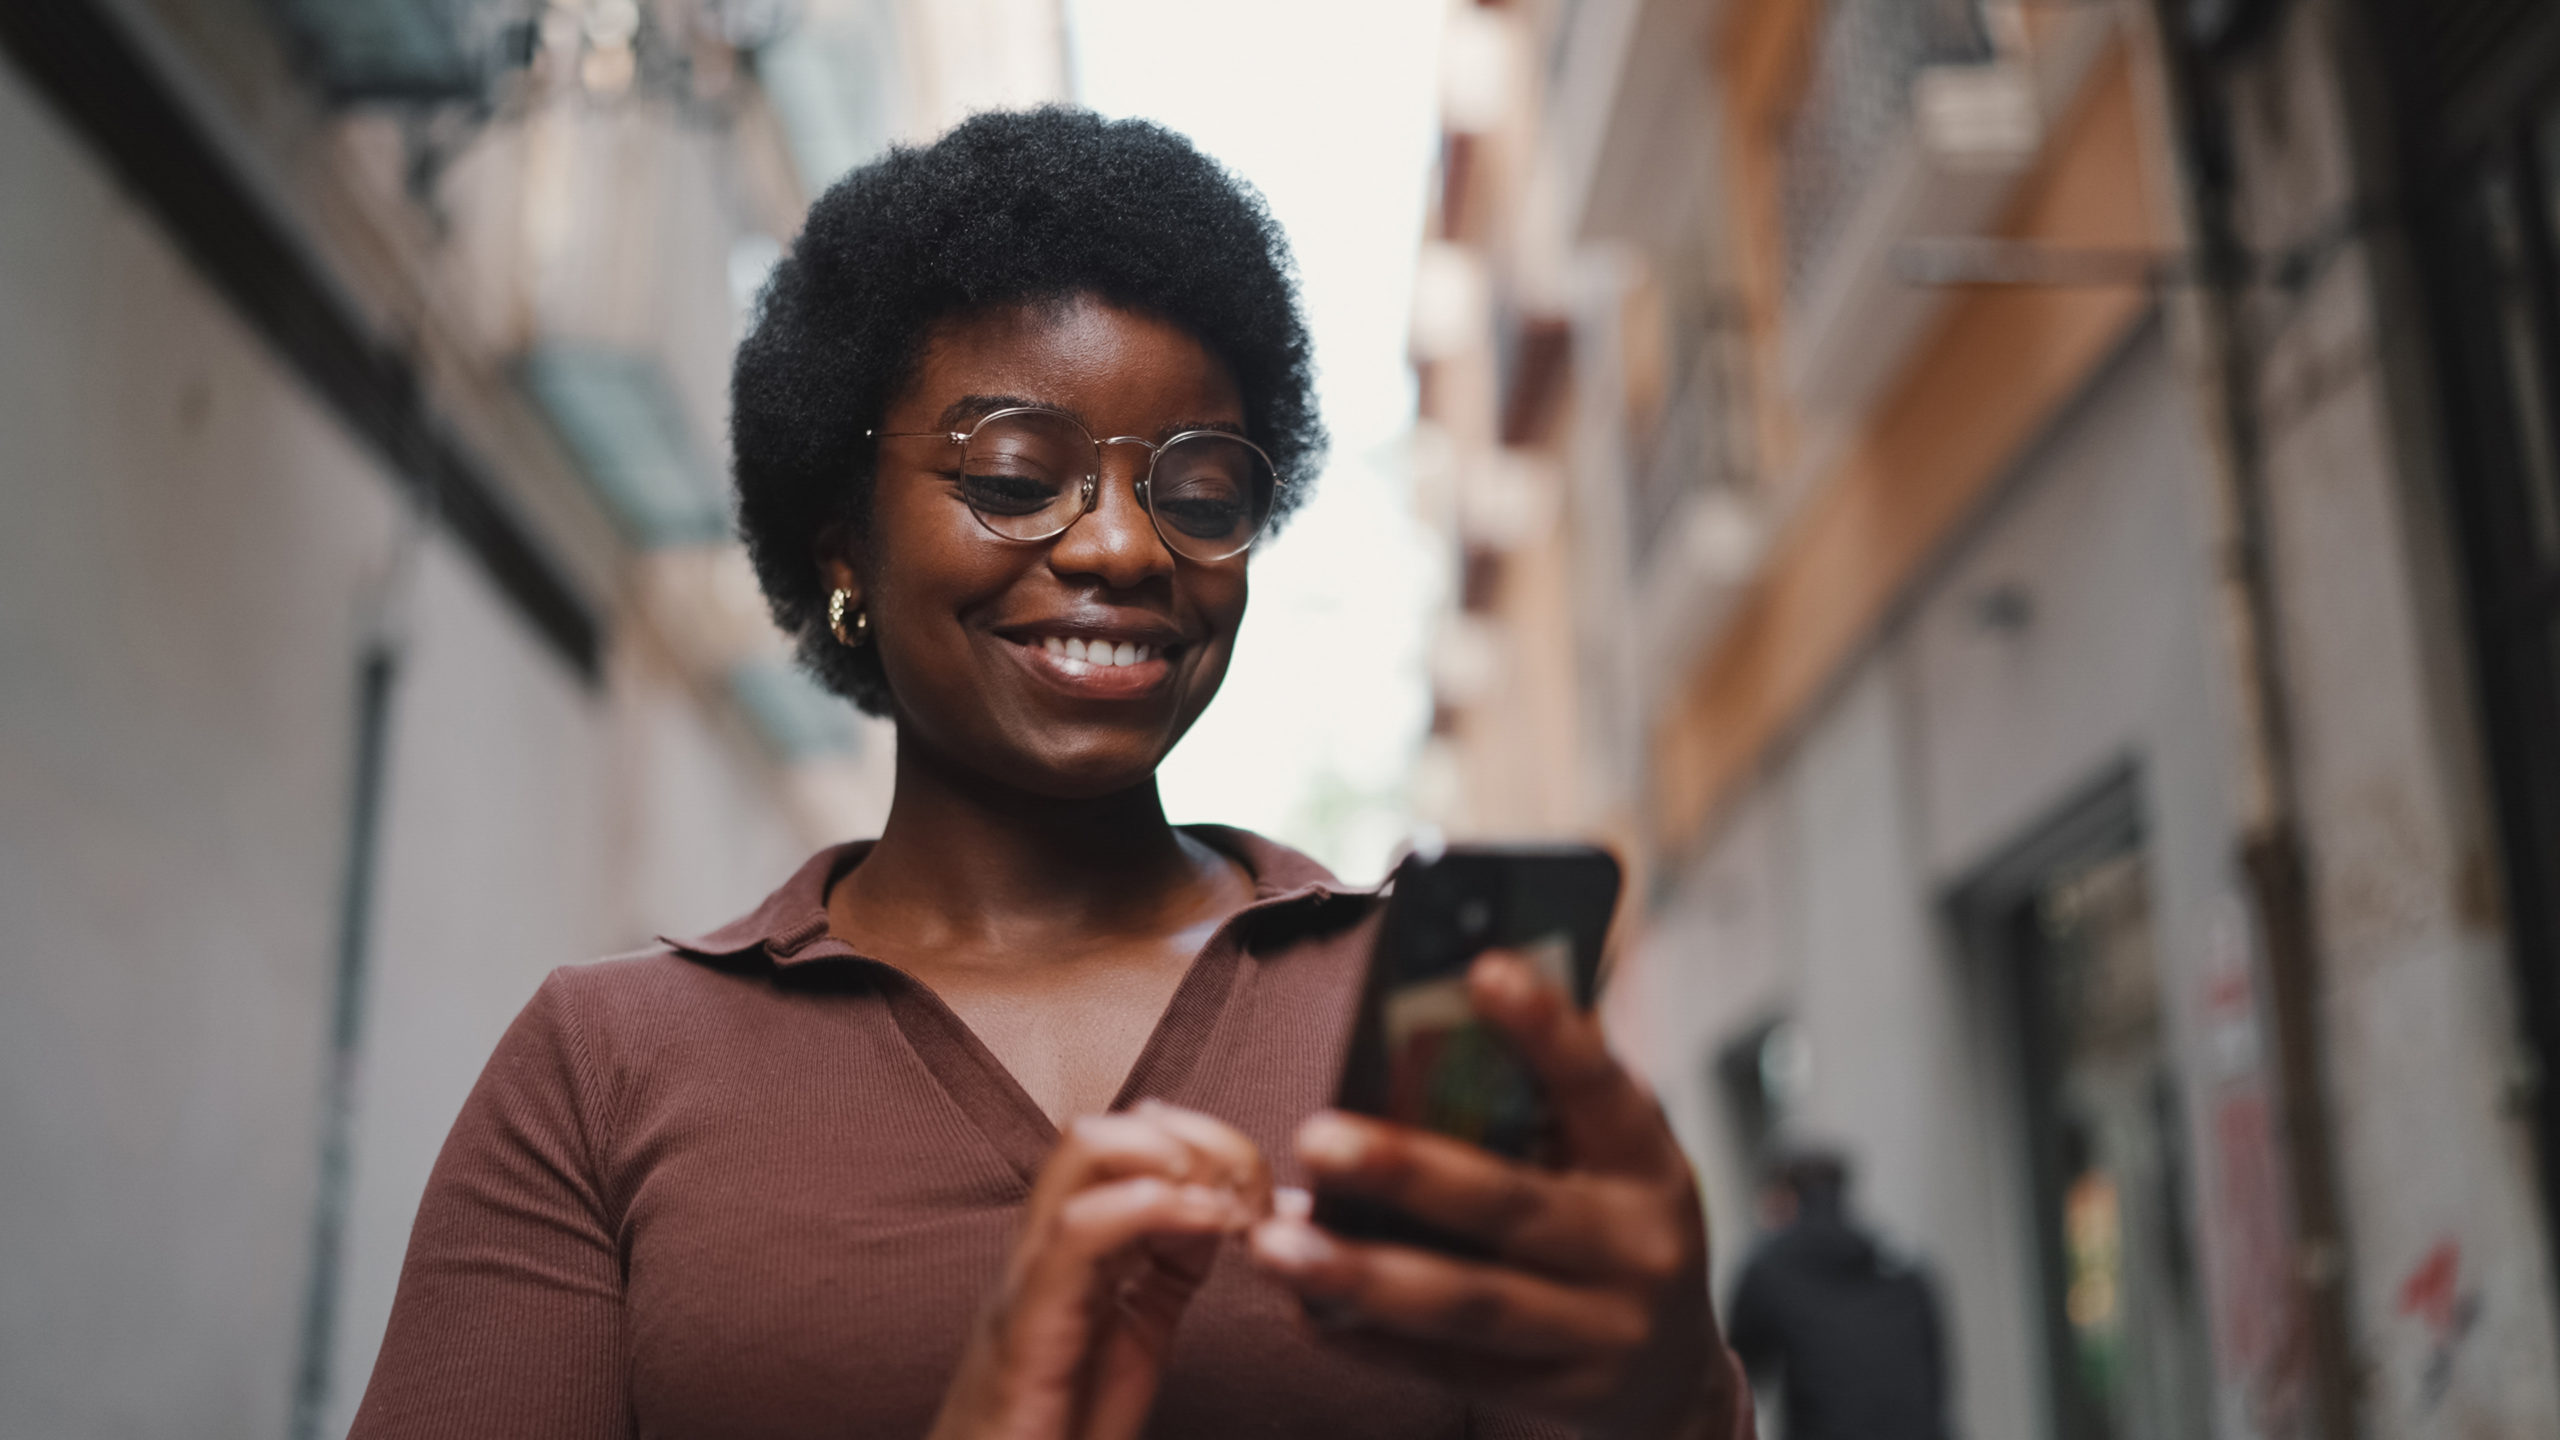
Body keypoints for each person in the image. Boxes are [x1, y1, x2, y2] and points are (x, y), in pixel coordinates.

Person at [349, 108, 1752, 1440]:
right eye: (1017, 477)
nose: (1128, 550)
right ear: (843, 540)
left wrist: (1676, 1385)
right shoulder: (608, 1068)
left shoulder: (1435, 1015)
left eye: (1200, 495)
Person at [1726, 1152, 1948, 1440]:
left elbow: (1737, 1373)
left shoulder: (1770, 1266)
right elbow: (1936, 1374)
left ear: (1784, 1197)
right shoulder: (1901, 1263)